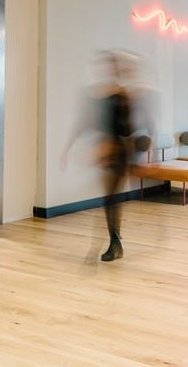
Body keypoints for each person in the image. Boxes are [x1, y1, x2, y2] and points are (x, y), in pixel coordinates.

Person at [61, 50, 135, 262]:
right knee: (110, 199)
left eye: (112, 65)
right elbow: (85, 122)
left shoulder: (122, 95)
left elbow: (128, 128)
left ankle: (114, 243)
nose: (108, 69)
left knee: (111, 198)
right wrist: (68, 147)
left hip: (118, 150)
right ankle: (114, 241)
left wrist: (111, 146)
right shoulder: (97, 93)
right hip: (105, 148)